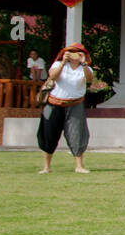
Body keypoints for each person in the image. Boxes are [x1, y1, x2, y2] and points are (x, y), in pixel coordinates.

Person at [37, 43, 93, 174]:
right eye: (71, 51)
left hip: (75, 105)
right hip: (53, 104)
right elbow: (52, 76)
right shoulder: (58, 65)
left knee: (77, 134)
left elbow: (89, 79)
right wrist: (63, 62)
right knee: (48, 134)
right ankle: (46, 167)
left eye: (78, 52)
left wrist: (83, 63)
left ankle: (79, 166)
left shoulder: (85, 68)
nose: (74, 54)